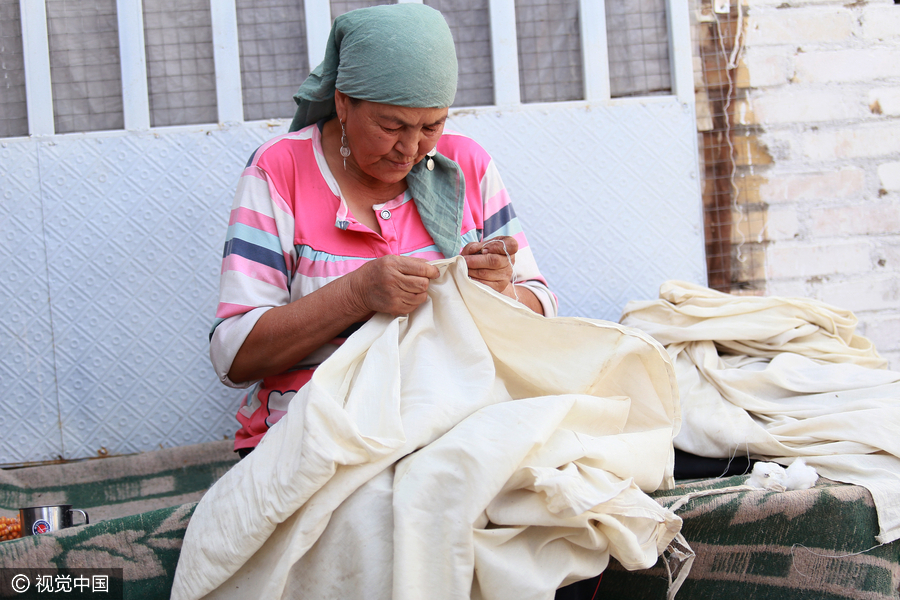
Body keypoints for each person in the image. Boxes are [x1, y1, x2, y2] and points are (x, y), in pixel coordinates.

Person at [209, 3, 558, 457]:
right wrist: (355, 295)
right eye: (391, 126)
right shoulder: (279, 171)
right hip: (315, 440)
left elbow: (544, 306)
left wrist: (502, 294)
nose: (410, 149)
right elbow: (234, 356)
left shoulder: (466, 164)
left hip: (454, 426)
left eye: (431, 125)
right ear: (342, 103)